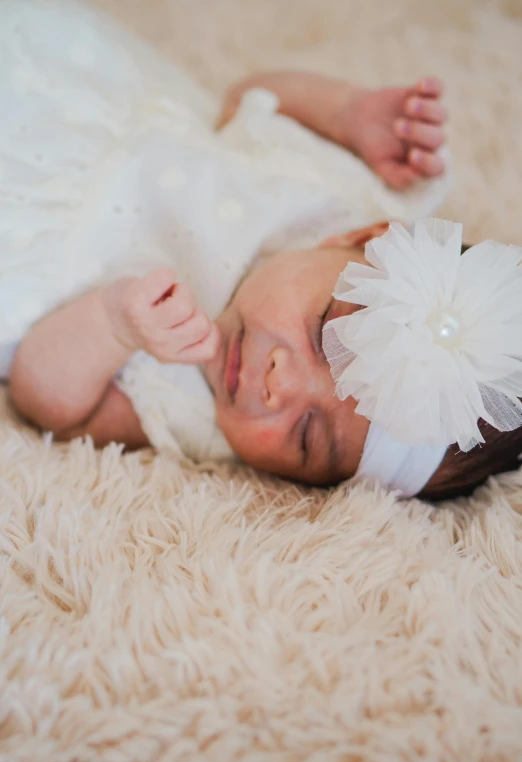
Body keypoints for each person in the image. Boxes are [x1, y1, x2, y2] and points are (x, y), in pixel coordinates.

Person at [3, 0, 461, 496]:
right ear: (361, 240)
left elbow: (49, 407)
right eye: (323, 333)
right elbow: (245, 103)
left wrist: (112, 326)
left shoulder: (196, 412)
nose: (278, 387)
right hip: (75, 96)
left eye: (307, 434)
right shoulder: (328, 199)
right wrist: (342, 110)